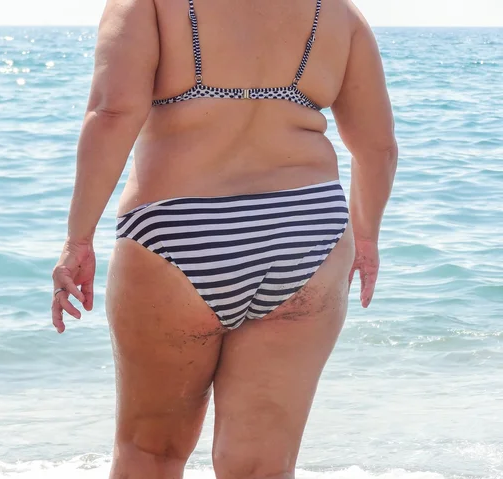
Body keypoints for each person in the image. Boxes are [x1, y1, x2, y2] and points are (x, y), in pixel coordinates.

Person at [51, 0, 397, 476]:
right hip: (307, 232)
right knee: (260, 467)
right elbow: (377, 147)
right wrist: (367, 237)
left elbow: (112, 113)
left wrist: (78, 239)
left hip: (177, 230)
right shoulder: (338, 13)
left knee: (150, 453)